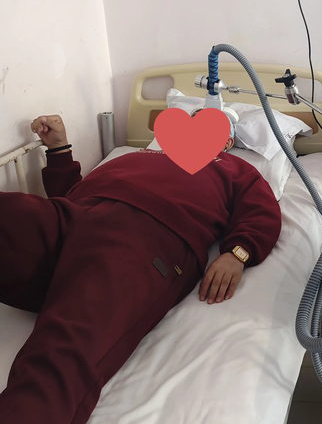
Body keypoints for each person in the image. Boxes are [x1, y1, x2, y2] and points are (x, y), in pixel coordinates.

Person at [0, 113, 282, 424]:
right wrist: (59, 150)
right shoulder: (137, 155)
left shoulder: (235, 169)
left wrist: (238, 253)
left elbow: (262, 211)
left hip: (145, 233)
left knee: (61, 350)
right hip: (71, 214)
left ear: (226, 142)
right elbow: (70, 194)